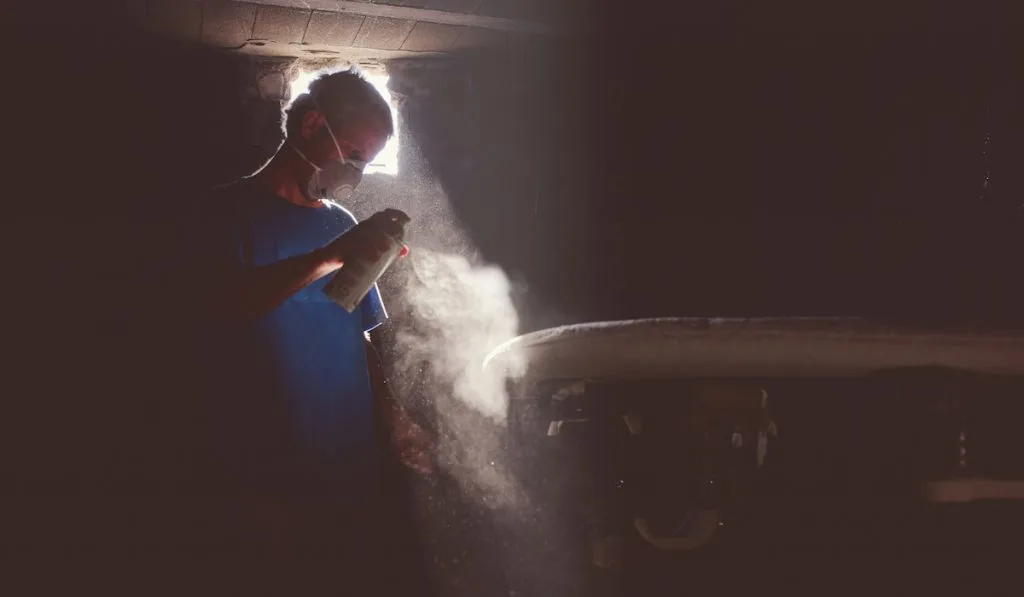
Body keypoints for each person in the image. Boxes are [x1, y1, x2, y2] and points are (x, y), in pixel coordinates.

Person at [176, 68, 432, 557]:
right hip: (264, 471)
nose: (355, 175)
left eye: (367, 164)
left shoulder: (342, 223)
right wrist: (330, 256)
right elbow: (219, 308)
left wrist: (393, 418)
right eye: (354, 156)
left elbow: (357, 332)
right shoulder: (222, 214)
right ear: (312, 126)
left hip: (348, 462)